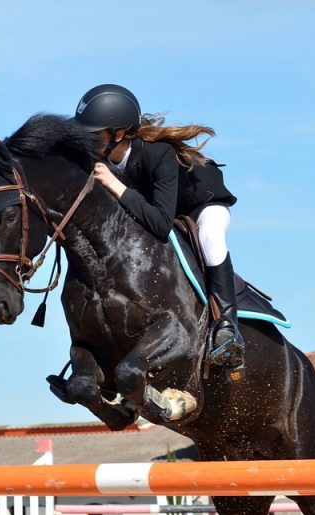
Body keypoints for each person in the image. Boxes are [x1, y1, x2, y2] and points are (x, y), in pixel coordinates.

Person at [73, 83, 243, 367]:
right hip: (163, 208)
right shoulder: (106, 159)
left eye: (94, 136)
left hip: (202, 205)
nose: (88, 143)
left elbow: (161, 224)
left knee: (210, 238)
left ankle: (227, 327)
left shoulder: (157, 153)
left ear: (118, 133)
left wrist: (114, 185)